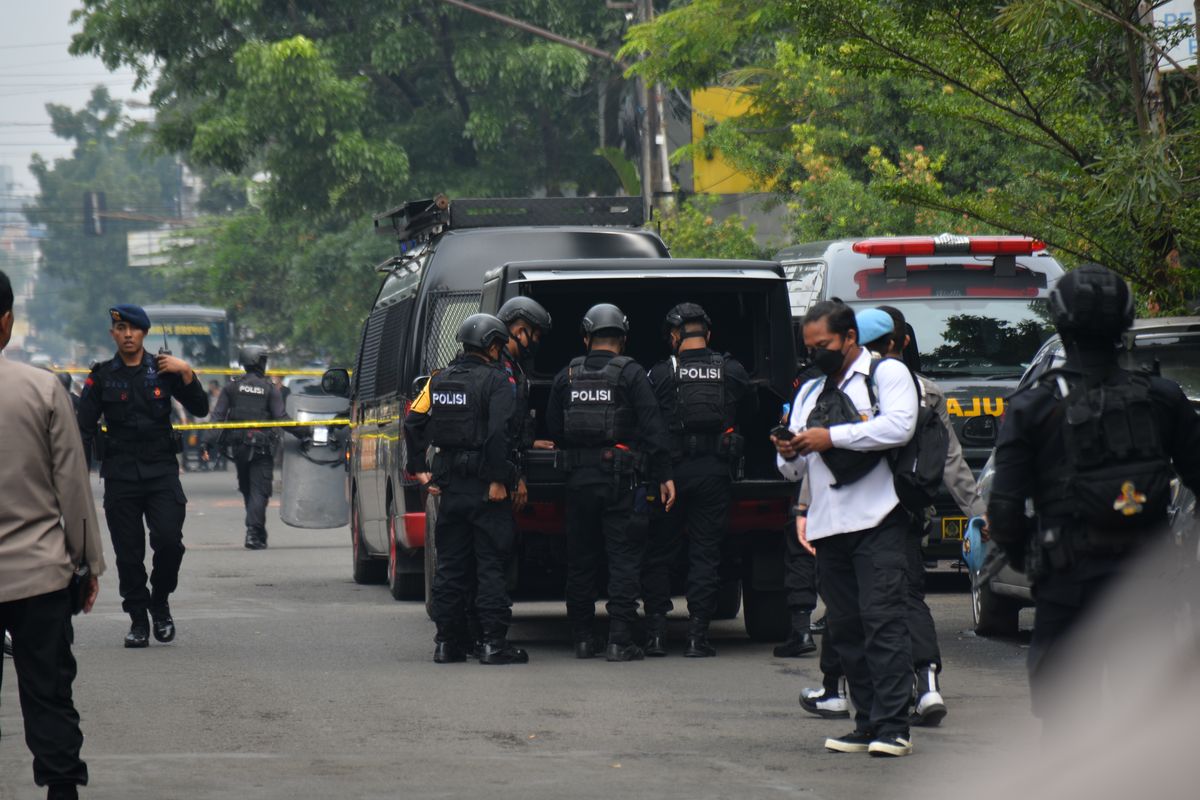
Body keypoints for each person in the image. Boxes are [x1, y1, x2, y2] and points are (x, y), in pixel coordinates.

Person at [986, 264, 1200, 721]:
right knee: (1146, 724)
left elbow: (1003, 511)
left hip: (1068, 583)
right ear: (1126, 322)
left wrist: (1035, 559)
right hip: (1148, 583)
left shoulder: (1033, 406)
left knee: (1067, 725)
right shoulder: (1162, 397)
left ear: (1059, 323)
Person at [800, 308, 983, 727]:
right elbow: (952, 463)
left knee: (871, 610)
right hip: (907, 510)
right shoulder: (925, 390)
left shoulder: (887, 387)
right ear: (899, 342)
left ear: (854, 341)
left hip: (884, 516)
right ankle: (923, 684)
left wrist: (803, 504)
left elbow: (823, 457)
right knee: (890, 603)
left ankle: (846, 693)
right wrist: (978, 512)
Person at [773, 300, 917, 757]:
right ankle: (867, 722)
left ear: (850, 338)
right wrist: (791, 451)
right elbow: (792, 471)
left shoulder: (886, 374)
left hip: (879, 518)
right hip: (829, 525)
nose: (817, 354)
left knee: (884, 622)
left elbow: (899, 427)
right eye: (810, 347)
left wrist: (829, 436)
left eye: (825, 345)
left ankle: (895, 727)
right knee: (847, 629)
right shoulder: (810, 391)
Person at [0, 269, 106, 800]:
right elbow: (73, 489)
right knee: (47, 691)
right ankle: (61, 787)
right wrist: (86, 564)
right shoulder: (42, 388)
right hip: (39, 574)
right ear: (7, 323)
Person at [546, 303, 676, 662]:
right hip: (621, 481)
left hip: (577, 482)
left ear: (586, 337)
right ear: (623, 338)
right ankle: (620, 640)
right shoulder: (632, 373)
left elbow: (554, 428)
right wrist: (664, 475)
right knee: (624, 560)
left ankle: (584, 639)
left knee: (581, 562)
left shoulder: (567, 375)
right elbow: (654, 429)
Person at [77, 304, 209, 648]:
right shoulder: (102, 376)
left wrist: (186, 372)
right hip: (121, 474)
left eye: (133, 329)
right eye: (120, 329)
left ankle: (160, 602)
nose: (127, 335)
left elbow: (200, 407)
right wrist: (75, 472)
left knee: (169, 542)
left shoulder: (164, 369)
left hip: (161, 471)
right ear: (113, 334)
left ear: (144, 333)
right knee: (128, 553)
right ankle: (138, 619)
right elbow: (83, 428)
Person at [404, 313, 527, 665]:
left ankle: (447, 643)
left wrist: (420, 470)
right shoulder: (498, 381)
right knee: (490, 565)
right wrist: (498, 479)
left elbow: (413, 422)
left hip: (448, 487)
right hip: (486, 488)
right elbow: (499, 434)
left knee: (451, 566)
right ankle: (492, 644)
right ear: (491, 345)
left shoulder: (438, 380)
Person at [642, 303, 749, 657]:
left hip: (669, 475)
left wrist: (660, 472)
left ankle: (656, 635)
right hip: (714, 473)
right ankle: (697, 637)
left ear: (673, 336)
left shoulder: (659, 373)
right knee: (705, 553)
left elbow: (648, 424)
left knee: (659, 552)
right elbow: (752, 408)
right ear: (708, 333)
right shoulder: (731, 369)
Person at [210, 346, 287, 550]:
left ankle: (256, 529)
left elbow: (217, 417)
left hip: (238, 448)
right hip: (261, 449)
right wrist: (307, 433)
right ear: (260, 362)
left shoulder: (231, 387)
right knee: (259, 491)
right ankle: (253, 532)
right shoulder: (270, 389)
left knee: (247, 488)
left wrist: (207, 442)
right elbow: (282, 417)